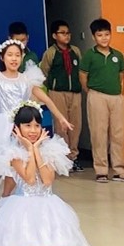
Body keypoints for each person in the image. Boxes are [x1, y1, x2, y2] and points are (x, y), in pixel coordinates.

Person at [0, 105, 91, 246]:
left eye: (37, 125)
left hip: (48, 204)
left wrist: (36, 150)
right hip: (24, 205)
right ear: (17, 128)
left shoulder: (50, 149)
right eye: (27, 125)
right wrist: (30, 150)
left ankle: (48, 242)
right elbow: (30, 179)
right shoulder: (14, 153)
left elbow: (47, 181)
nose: (33, 130)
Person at [0, 38, 72, 180]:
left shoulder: (27, 79)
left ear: (22, 57)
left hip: (23, 126)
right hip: (1, 127)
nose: (14, 59)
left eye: (17, 55)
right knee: (8, 165)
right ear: (2, 57)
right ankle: (8, 192)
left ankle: (19, 191)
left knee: (22, 163)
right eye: (10, 55)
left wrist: (61, 118)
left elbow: (47, 100)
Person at [79, 18, 124, 184]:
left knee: (118, 134)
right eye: (100, 35)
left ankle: (119, 170)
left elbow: (121, 75)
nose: (104, 38)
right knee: (99, 133)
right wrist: (90, 92)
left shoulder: (118, 55)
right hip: (97, 96)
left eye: (107, 34)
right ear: (94, 37)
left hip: (116, 97)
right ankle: (101, 170)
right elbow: (83, 76)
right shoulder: (90, 55)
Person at [39, 20, 83, 170]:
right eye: (62, 33)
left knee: (75, 124)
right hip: (57, 92)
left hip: (75, 92)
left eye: (68, 33)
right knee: (61, 125)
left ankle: (74, 156)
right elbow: (43, 72)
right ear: (54, 35)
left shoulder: (75, 51)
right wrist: (52, 86)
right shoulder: (50, 53)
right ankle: (63, 157)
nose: (66, 36)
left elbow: (80, 71)